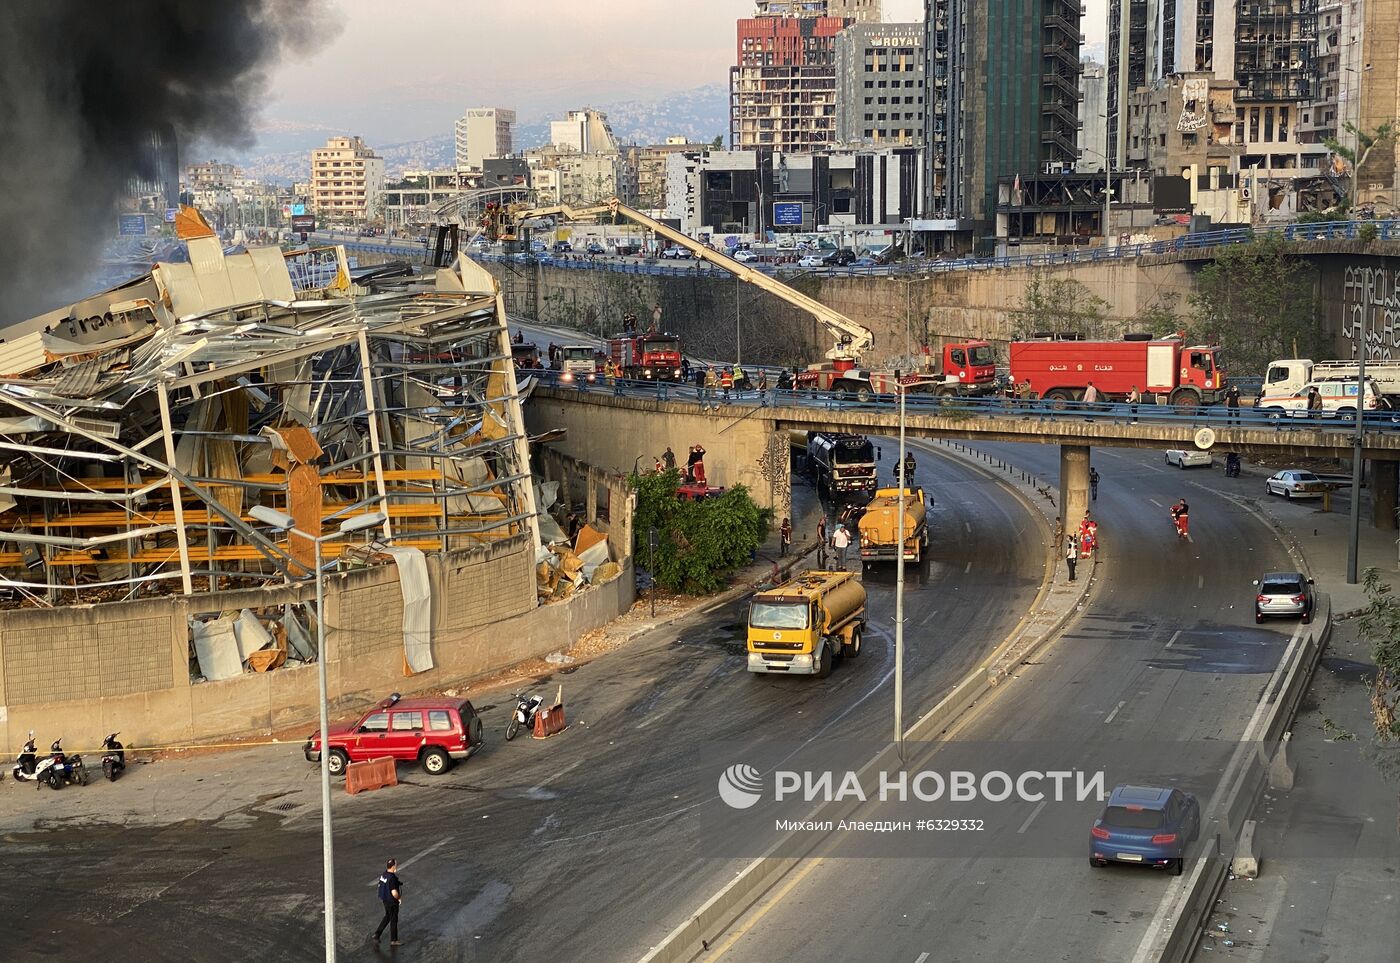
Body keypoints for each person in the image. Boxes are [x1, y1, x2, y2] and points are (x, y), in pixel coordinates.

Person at [373, 858, 403, 946]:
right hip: (392, 902)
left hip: (385, 900)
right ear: (393, 866)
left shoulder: (384, 874)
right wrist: (398, 898)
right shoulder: (392, 878)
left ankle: (377, 934)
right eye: (396, 865)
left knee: (387, 916)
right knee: (394, 919)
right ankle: (394, 940)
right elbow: (394, 893)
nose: (396, 866)